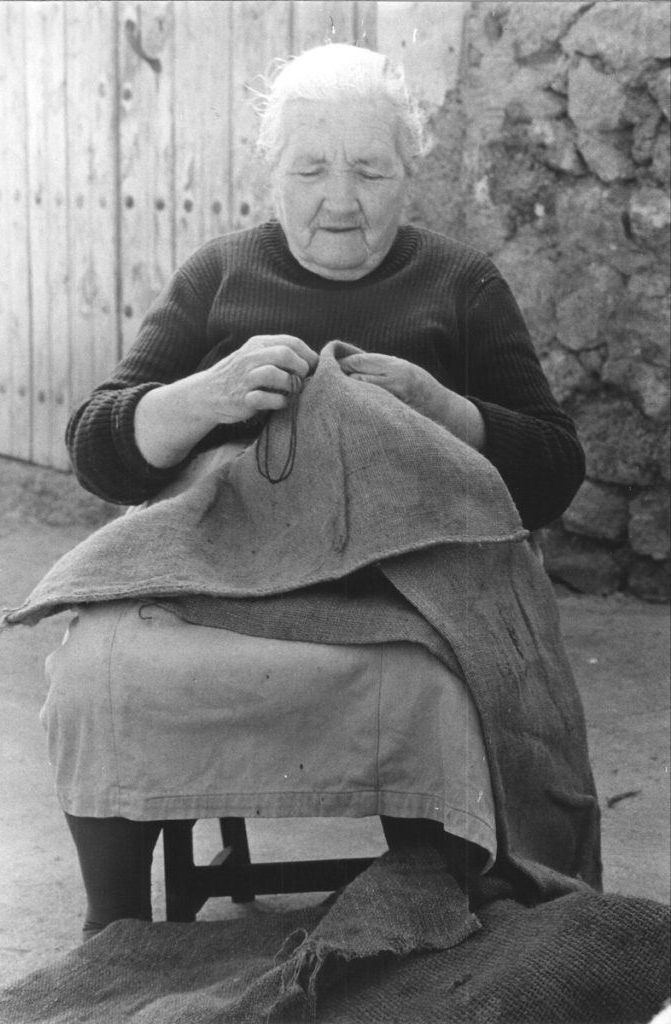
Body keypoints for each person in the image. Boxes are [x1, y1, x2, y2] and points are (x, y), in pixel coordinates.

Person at [43, 43, 594, 941]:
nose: (340, 199)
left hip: (407, 589)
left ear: (408, 174)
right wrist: (202, 396)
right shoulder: (219, 274)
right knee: (94, 667)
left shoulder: (461, 283)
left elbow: (552, 472)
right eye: (311, 170)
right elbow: (96, 448)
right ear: (271, 174)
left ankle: (431, 911)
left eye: (369, 171)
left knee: (446, 681)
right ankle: (116, 932)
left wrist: (443, 411)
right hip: (221, 577)